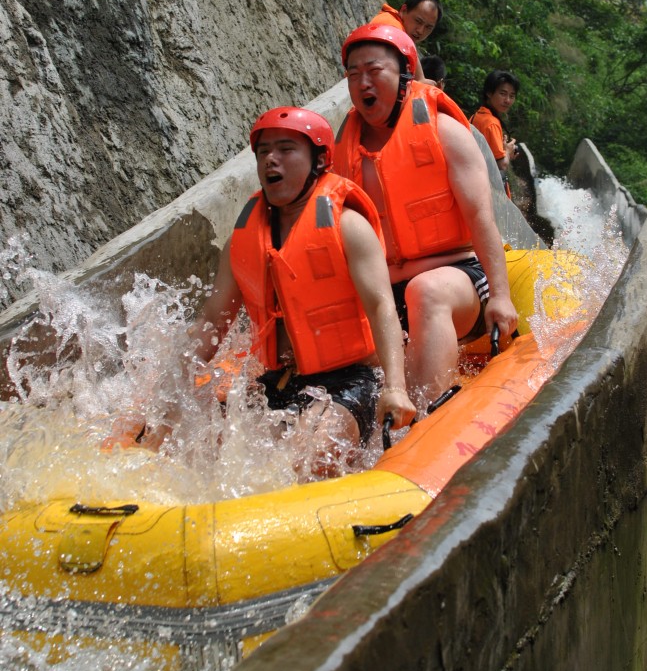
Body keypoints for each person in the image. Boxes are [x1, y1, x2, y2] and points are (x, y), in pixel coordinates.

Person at [108, 107, 416, 470]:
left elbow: (382, 306)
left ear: (319, 161)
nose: (272, 159)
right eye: (264, 151)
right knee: (191, 451)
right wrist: (166, 397)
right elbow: (212, 320)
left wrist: (395, 387)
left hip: (350, 380)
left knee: (308, 459)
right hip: (278, 380)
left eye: (286, 149)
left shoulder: (348, 227)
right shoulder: (242, 241)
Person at [334, 23, 518, 408]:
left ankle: (424, 417)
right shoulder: (344, 149)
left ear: (404, 75)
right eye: (353, 74)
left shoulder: (444, 130)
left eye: (373, 71)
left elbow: (481, 217)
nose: (362, 82)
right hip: (384, 290)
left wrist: (501, 295)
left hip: (457, 280)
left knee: (426, 291)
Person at [470, 69, 520, 198]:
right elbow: (501, 164)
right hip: (489, 191)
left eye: (512, 96)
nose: (507, 100)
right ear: (489, 93)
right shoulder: (491, 123)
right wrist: (508, 152)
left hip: (475, 183)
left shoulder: (477, 116)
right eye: (503, 94)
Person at [370, 0, 443, 72]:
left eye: (428, 27)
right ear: (403, 10)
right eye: (418, 21)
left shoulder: (404, 37)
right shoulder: (389, 24)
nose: (420, 31)